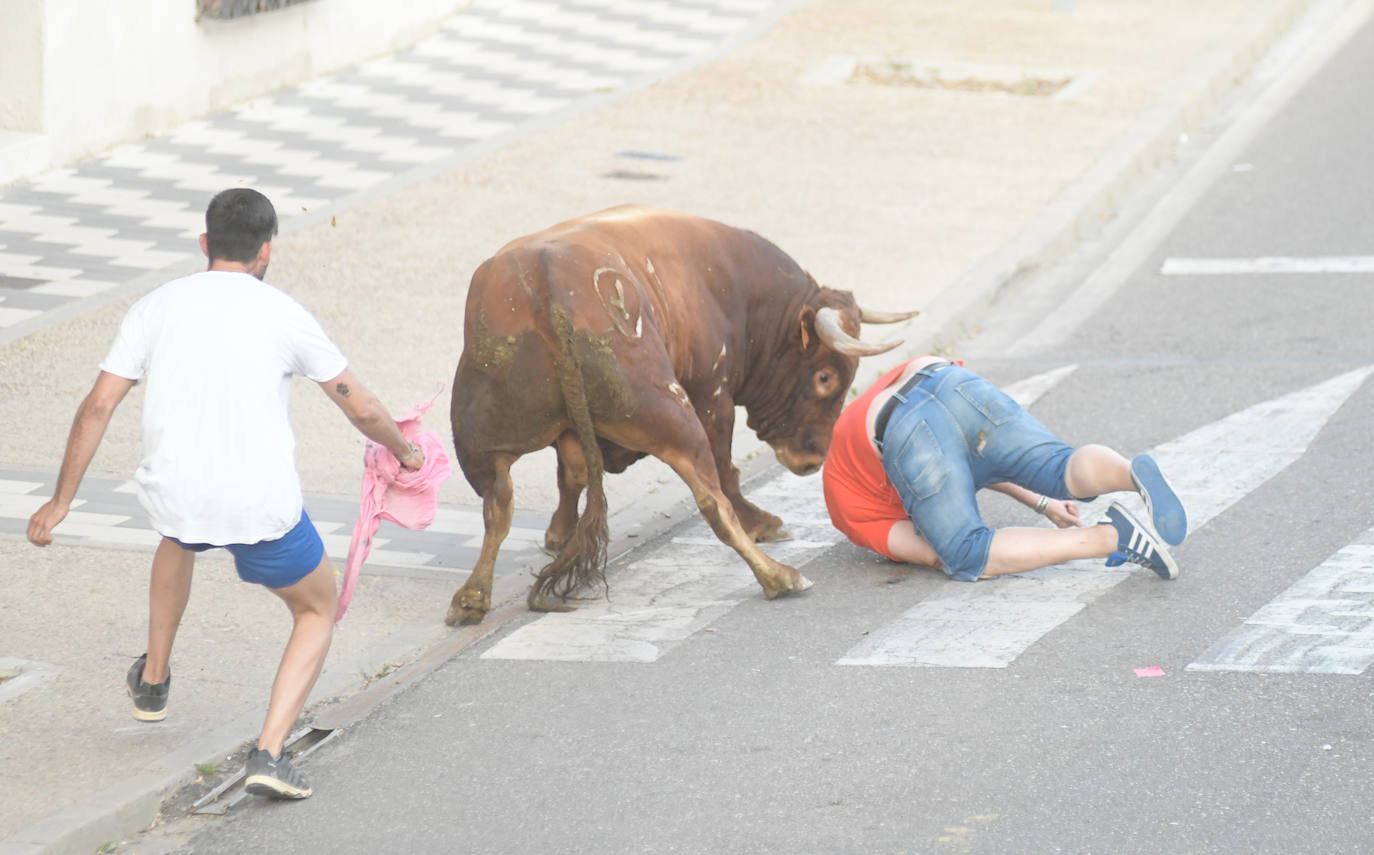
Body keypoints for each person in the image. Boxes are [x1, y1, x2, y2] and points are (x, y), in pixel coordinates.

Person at [26, 188, 424, 801]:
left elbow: (98, 404)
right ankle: (268, 752)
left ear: (205, 244)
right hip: (258, 507)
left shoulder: (155, 306)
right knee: (318, 609)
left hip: (176, 492)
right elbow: (362, 408)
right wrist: (405, 451)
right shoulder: (284, 313)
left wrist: (60, 501)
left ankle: (153, 679)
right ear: (267, 251)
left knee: (178, 532)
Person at [823, 355, 1187, 582]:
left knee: (964, 553)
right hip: (941, 376)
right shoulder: (848, 448)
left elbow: (933, 552)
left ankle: (1107, 538)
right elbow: (984, 459)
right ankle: (1129, 472)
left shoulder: (852, 512)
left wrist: (953, 548)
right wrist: (1043, 502)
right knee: (1060, 467)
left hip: (899, 429)